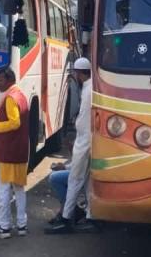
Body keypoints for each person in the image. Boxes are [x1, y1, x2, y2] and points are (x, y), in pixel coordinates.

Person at [46, 57, 96, 234]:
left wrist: (76, 145)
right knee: (87, 182)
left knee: (75, 180)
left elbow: (83, 122)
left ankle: (67, 219)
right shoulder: (90, 88)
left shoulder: (89, 90)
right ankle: (90, 216)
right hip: (87, 141)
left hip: (85, 142)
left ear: (79, 73)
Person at [0, 68, 30, 239]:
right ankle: (22, 225)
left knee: (3, 190)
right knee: (19, 189)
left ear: (9, 80)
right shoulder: (20, 95)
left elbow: (14, 123)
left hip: (7, 151)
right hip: (19, 150)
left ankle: (4, 227)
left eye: (0, 80)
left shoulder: (10, 98)